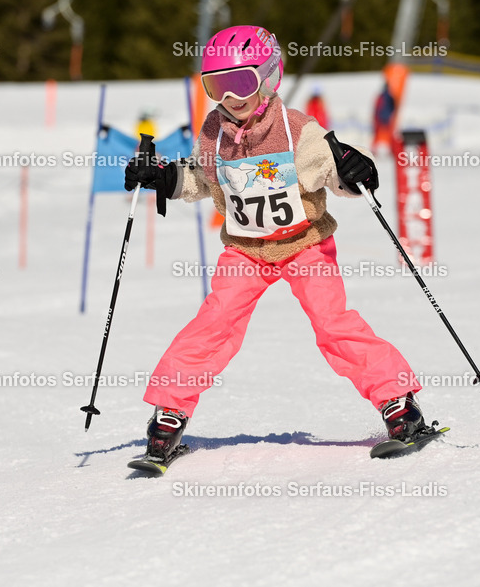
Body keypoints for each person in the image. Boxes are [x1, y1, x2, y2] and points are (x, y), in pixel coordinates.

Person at [123, 24, 428, 464]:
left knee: (332, 324)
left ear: (268, 77)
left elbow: (333, 172)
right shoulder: (213, 131)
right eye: (218, 86)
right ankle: (169, 413)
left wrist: (354, 171)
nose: (231, 98)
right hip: (246, 250)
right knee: (214, 324)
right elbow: (205, 180)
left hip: (304, 243)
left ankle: (398, 402)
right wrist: (165, 178)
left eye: (240, 83)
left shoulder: (298, 132)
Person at [373, 82, 396, 154]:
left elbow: (377, 107)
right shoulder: (390, 96)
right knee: (390, 134)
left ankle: (374, 149)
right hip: (387, 118)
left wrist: (376, 116)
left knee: (377, 134)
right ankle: (392, 149)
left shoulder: (381, 96)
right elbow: (393, 107)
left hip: (379, 118)